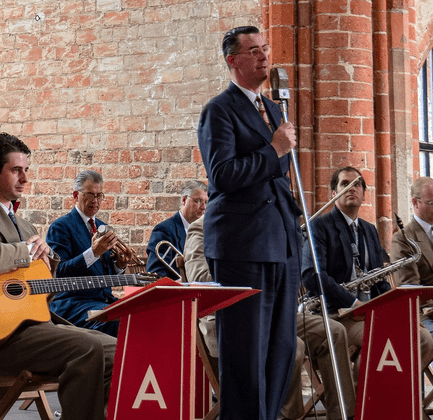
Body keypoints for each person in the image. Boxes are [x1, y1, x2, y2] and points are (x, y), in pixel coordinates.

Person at [0, 133, 116, 420]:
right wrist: (29, 251)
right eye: (16, 170)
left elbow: (43, 293)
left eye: (26, 169)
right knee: (88, 349)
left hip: (33, 325)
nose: (25, 178)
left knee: (117, 350)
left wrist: (48, 266)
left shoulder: (26, 226)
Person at [197, 26, 302, 420]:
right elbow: (222, 175)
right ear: (233, 60)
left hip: (281, 240)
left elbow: (278, 176)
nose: (263, 57)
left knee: (281, 348)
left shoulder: (274, 110)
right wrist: (274, 149)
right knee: (246, 351)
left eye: (265, 48)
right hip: (243, 244)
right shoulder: (219, 110)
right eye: (253, 50)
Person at [184, 215, 356, 420]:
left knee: (333, 332)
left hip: (272, 312)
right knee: (291, 347)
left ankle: (343, 415)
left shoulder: (256, 222)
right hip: (229, 318)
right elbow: (199, 278)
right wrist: (250, 268)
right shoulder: (201, 228)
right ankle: (286, 416)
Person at [302, 167, 433, 375]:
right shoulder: (319, 226)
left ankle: (393, 389)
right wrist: (353, 303)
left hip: (368, 312)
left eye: (357, 185)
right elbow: (312, 276)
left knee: (424, 338)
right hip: (335, 313)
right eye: (345, 184)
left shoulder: (369, 230)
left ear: (364, 194)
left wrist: (396, 310)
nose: (352, 188)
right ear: (333, 193)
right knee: (380, 338)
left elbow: (379, 280)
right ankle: (364, 393)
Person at [46, 170, 132, 337]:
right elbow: (59, 272)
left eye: (99, 195)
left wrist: (119, 266)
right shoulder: (60, 227)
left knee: (140, 314)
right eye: (90, 195)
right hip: (73, 303)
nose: (95, 201)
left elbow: (104, 275)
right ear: (75, 195)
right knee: (120, 320)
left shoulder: (101, 225)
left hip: (102, 301)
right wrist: (93, 253)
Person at [390, 176, 433, 337]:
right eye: (431, 203)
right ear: (415, 203)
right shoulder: (404, 238)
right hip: (425, 315)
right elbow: (409, 291)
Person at [145, 180, 207, 279]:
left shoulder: (206, 231)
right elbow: (156, 275)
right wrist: (182, 283)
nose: (203, 207)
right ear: (184, 200)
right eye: (198, 201)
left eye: (206, 202)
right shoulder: (164, 230)